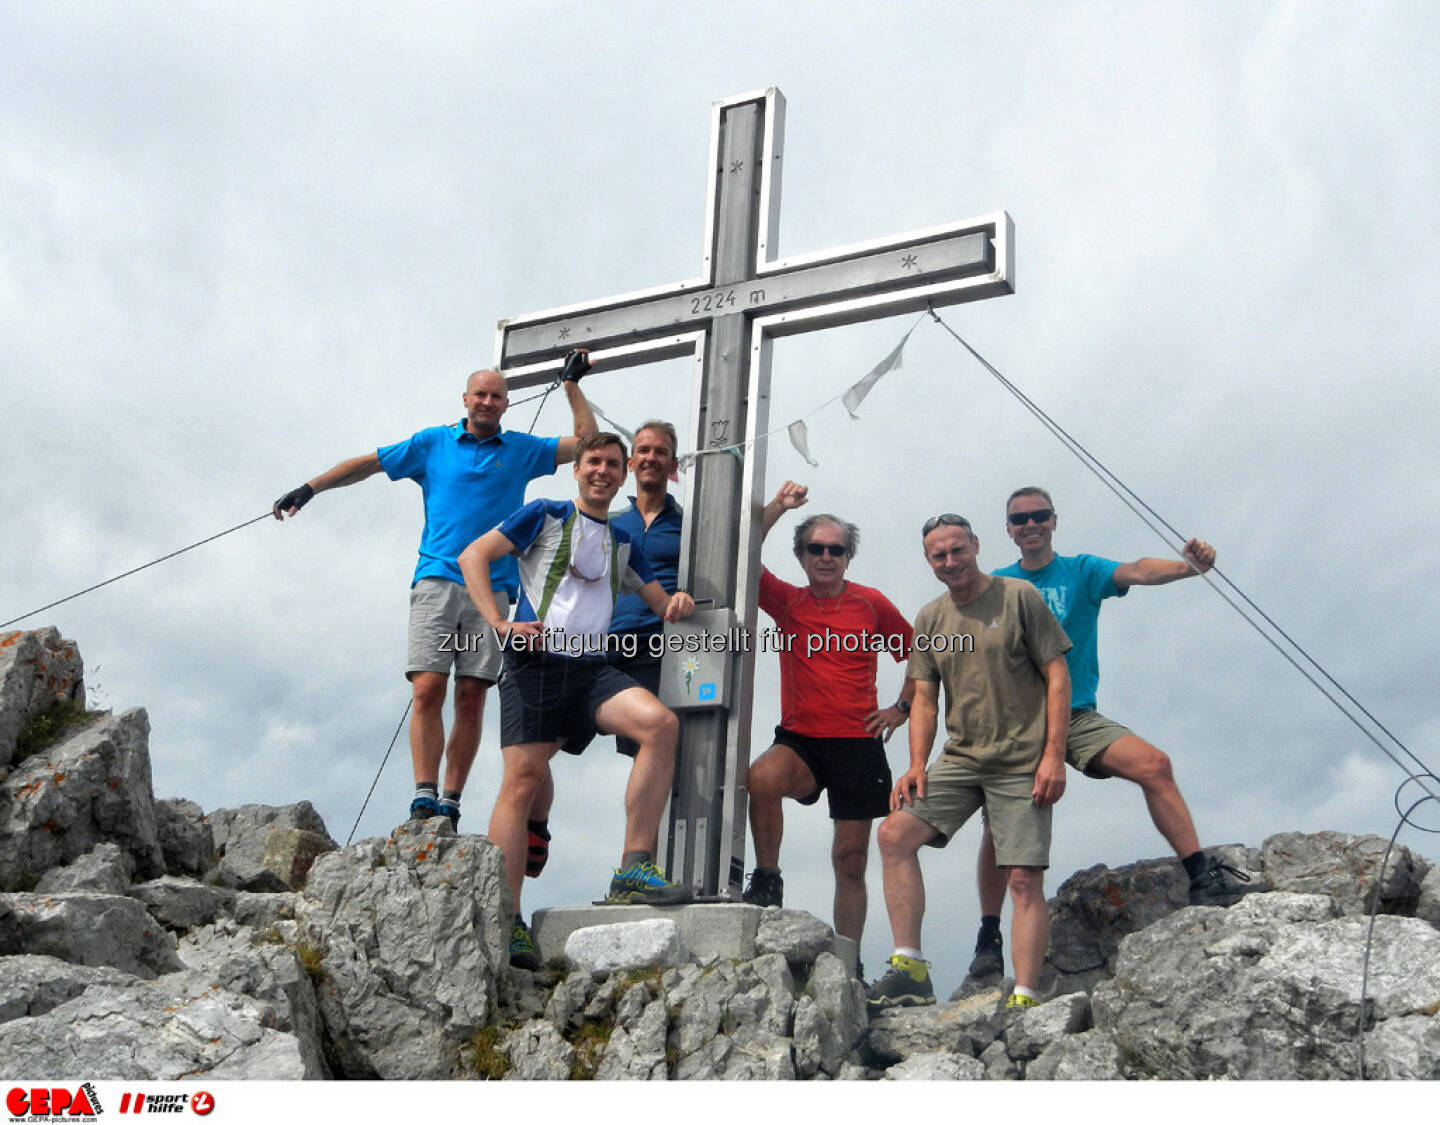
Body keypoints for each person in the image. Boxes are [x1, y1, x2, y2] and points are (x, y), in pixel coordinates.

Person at [271, 350, 596, 829]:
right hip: (438, 581)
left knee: (470, 695)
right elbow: (368, 464)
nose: (487, 402)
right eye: (480, 394)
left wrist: (571, 386)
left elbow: (588, 444)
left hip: (493, 590)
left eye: (496, 396)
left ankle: (451, 798)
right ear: (466, 399)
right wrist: (310, 488)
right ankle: (423, 793)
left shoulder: (522, 450)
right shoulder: (432, 444)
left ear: (507, 404)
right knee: (427, 688)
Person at [963, 486, 1250, 981]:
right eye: (1019, 519)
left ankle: (1202, 877)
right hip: (1015, 723)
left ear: (1054, 520)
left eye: (1039, 516)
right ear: (1007, 530)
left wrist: (1190, 567)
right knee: (998, 826)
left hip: (1074, 715)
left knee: (1154, 765)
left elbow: (1136, 570)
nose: (1030, 525)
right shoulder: (996, 586)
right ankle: (988, 936)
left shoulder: (1082, 571)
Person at [457, 432, 696, 969]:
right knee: (522, 781)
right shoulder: (543, 514)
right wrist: (499, 623)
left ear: (623, 472)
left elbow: (661, 601)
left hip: (592, 667)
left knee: (658, 725)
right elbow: (473, 555)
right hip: (536, 664)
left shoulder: (622, 540)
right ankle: (508, 917)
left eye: (613, 464)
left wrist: (677, 599)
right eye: (594, 461)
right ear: (578, 469)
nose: (603, 471)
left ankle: (634, 868)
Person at [867, 514, 1070, 1011]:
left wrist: (1054, 756)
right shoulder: (931, 618)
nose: (951, 562)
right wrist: (916, 764)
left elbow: (1057, 676)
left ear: (976, 546)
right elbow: (926, 698)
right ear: (929, 560)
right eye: (939, 555)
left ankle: (1023, 997)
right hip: (962, 757)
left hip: (1022, 759)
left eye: (958, 550)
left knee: (1023, 878)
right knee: (894, 835)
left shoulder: (1019, 596)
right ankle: (910, 968)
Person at [742, 481, 914, 955]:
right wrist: (778, 505)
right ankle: (768, 878)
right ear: (801, 555)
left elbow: (923, 654)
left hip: (858, 743)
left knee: (850, 859)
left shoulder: (871, 603)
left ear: (847, 557)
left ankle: (848, 957)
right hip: (802, 739)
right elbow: (741, 550)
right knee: (760, 779)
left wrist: (901, 708)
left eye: (836, 550)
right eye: (816, 549)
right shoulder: (786, 601)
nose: (826, 557)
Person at [524, 421, 686, 878]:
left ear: (673, 466)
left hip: (655, 650)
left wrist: (772, 510)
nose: (651, 458)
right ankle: (536, 824)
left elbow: (737, 547)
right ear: (631, 463)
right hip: (593, 647)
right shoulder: (609, 523)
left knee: (652, 743)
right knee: (535, 750)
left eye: (661, 452)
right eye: (643, 450)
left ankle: (638, 866)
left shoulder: (691, 524)